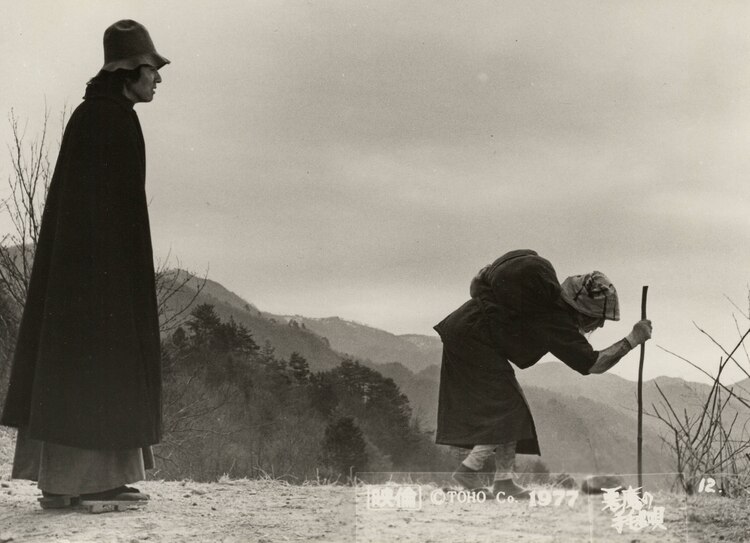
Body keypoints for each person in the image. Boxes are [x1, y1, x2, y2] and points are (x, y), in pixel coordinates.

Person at [0, 20, 170, 509]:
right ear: (129, 71)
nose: (158, 78)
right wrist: (114, 283)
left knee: (81, 369)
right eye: (151, 69)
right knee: (100, 368)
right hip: (99, 279)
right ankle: (90, 483)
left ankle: (68, 483)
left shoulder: (95, 116)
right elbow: (103, 213)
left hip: (82, 277)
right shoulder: (108, 120)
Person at [434, 249, 652, 499]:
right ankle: (469, 471)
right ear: (582, 311)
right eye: (597, 318)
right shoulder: (555, 320)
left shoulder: (547, 301)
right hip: (472, 339)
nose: (600, 324)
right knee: (508, 410)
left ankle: (503, 481)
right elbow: (594, 364)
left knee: (513, 408)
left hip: (466, 330)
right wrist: (632, 340)